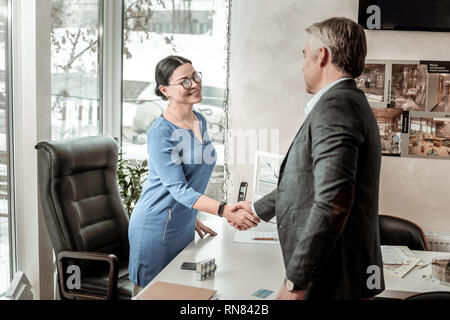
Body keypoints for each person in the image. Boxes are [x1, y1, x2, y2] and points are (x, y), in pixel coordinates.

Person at [232, 17, 385, 299]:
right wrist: (256, 209)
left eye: (305, 55)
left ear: (322, 55)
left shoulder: (336, 107)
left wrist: (296, 281)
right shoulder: (350, 101)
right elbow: (311, 182)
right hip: (338, 272)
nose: (303, 65)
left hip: (331, 276)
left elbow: (333, 199)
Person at [128, 55, 260, 296]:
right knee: (155, 294)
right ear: (165, 90)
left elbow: (191, 179)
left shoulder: (200, 120)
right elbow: (179, 189)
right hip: (156, 229)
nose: (195, 84)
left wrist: (188, 215)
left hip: (182, 225)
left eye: (195, 76)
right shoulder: (160, 132)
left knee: (185, 294)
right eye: (185, 81)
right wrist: (225, 210)